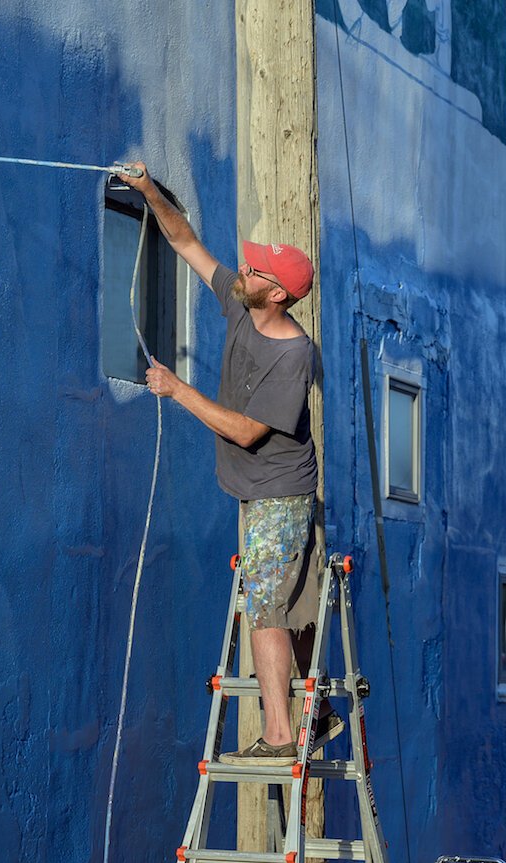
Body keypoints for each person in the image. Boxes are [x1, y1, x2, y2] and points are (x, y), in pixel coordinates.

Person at [113, 162, 342, 764]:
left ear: (278, 293)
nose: (244, 268)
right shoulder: (242, 303)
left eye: (257, 268)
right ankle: (316, 711)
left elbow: (245, 431)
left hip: (280, 494)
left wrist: (175, 388)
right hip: (258, 490)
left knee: (265, 604)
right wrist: (148, 192)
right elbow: (185, 240)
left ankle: (281, 735)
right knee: (288, 601)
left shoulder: (294, 356)